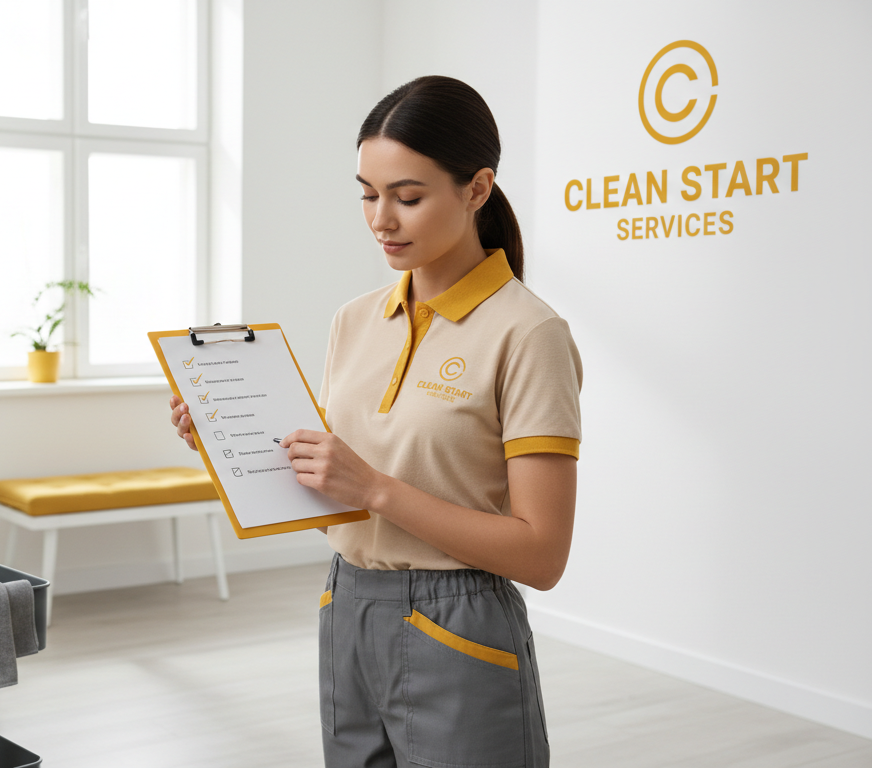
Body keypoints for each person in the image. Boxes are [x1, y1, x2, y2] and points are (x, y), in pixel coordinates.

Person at [169, 75, 579, 768]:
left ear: (477, 189)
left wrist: (376, 489)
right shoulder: (354, 320)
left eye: (407, 197)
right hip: (347, 605)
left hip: (459, 623)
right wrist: (231, 442)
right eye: (367, 194)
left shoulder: (529, 333)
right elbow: (334, 504)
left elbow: (542, 557)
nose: (381, 219)